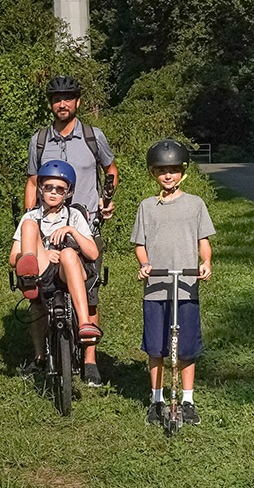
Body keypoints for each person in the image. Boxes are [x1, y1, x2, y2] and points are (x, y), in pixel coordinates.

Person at [24, 75, 118, 386]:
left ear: (77, 102)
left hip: (85, 226)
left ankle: (90, 361)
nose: (62, 104)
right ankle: (40, 356)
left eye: (67, 98)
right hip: (45, 226)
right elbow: (33, 182)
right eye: (56, 99)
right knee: (37, 294)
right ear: (51, 104)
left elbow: (110, 170)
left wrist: (106, 201)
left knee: (90, 295)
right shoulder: (39, 140)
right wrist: (29, 220)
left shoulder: (93, 136)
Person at [131, 139, 215, 426]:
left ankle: (187, 400)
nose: (168, 175)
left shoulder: (195, 204)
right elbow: (140, 245)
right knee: (156, 347)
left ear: (182, 172)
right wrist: (145, 264)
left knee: (187, 346)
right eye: (161, 170)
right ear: (153, 173)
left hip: (186, 287)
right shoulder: (147, 206)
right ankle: (157, 399)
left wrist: (205, 263)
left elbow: (203, 241)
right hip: (156, 289)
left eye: (173, 170)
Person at [11, 160, 103, 373]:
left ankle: (84, 324)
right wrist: (41, 253)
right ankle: (29, 275)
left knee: (69, 253)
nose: (53, 192)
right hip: (43, 269)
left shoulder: (74, 215)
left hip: (70, 271)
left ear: (68, 192)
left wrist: (72, 231)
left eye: (60, 189)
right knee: (29, 225)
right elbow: (13, 257)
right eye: (48, 187)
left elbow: (93, 253)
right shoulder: (31, 216)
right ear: (40, 189)